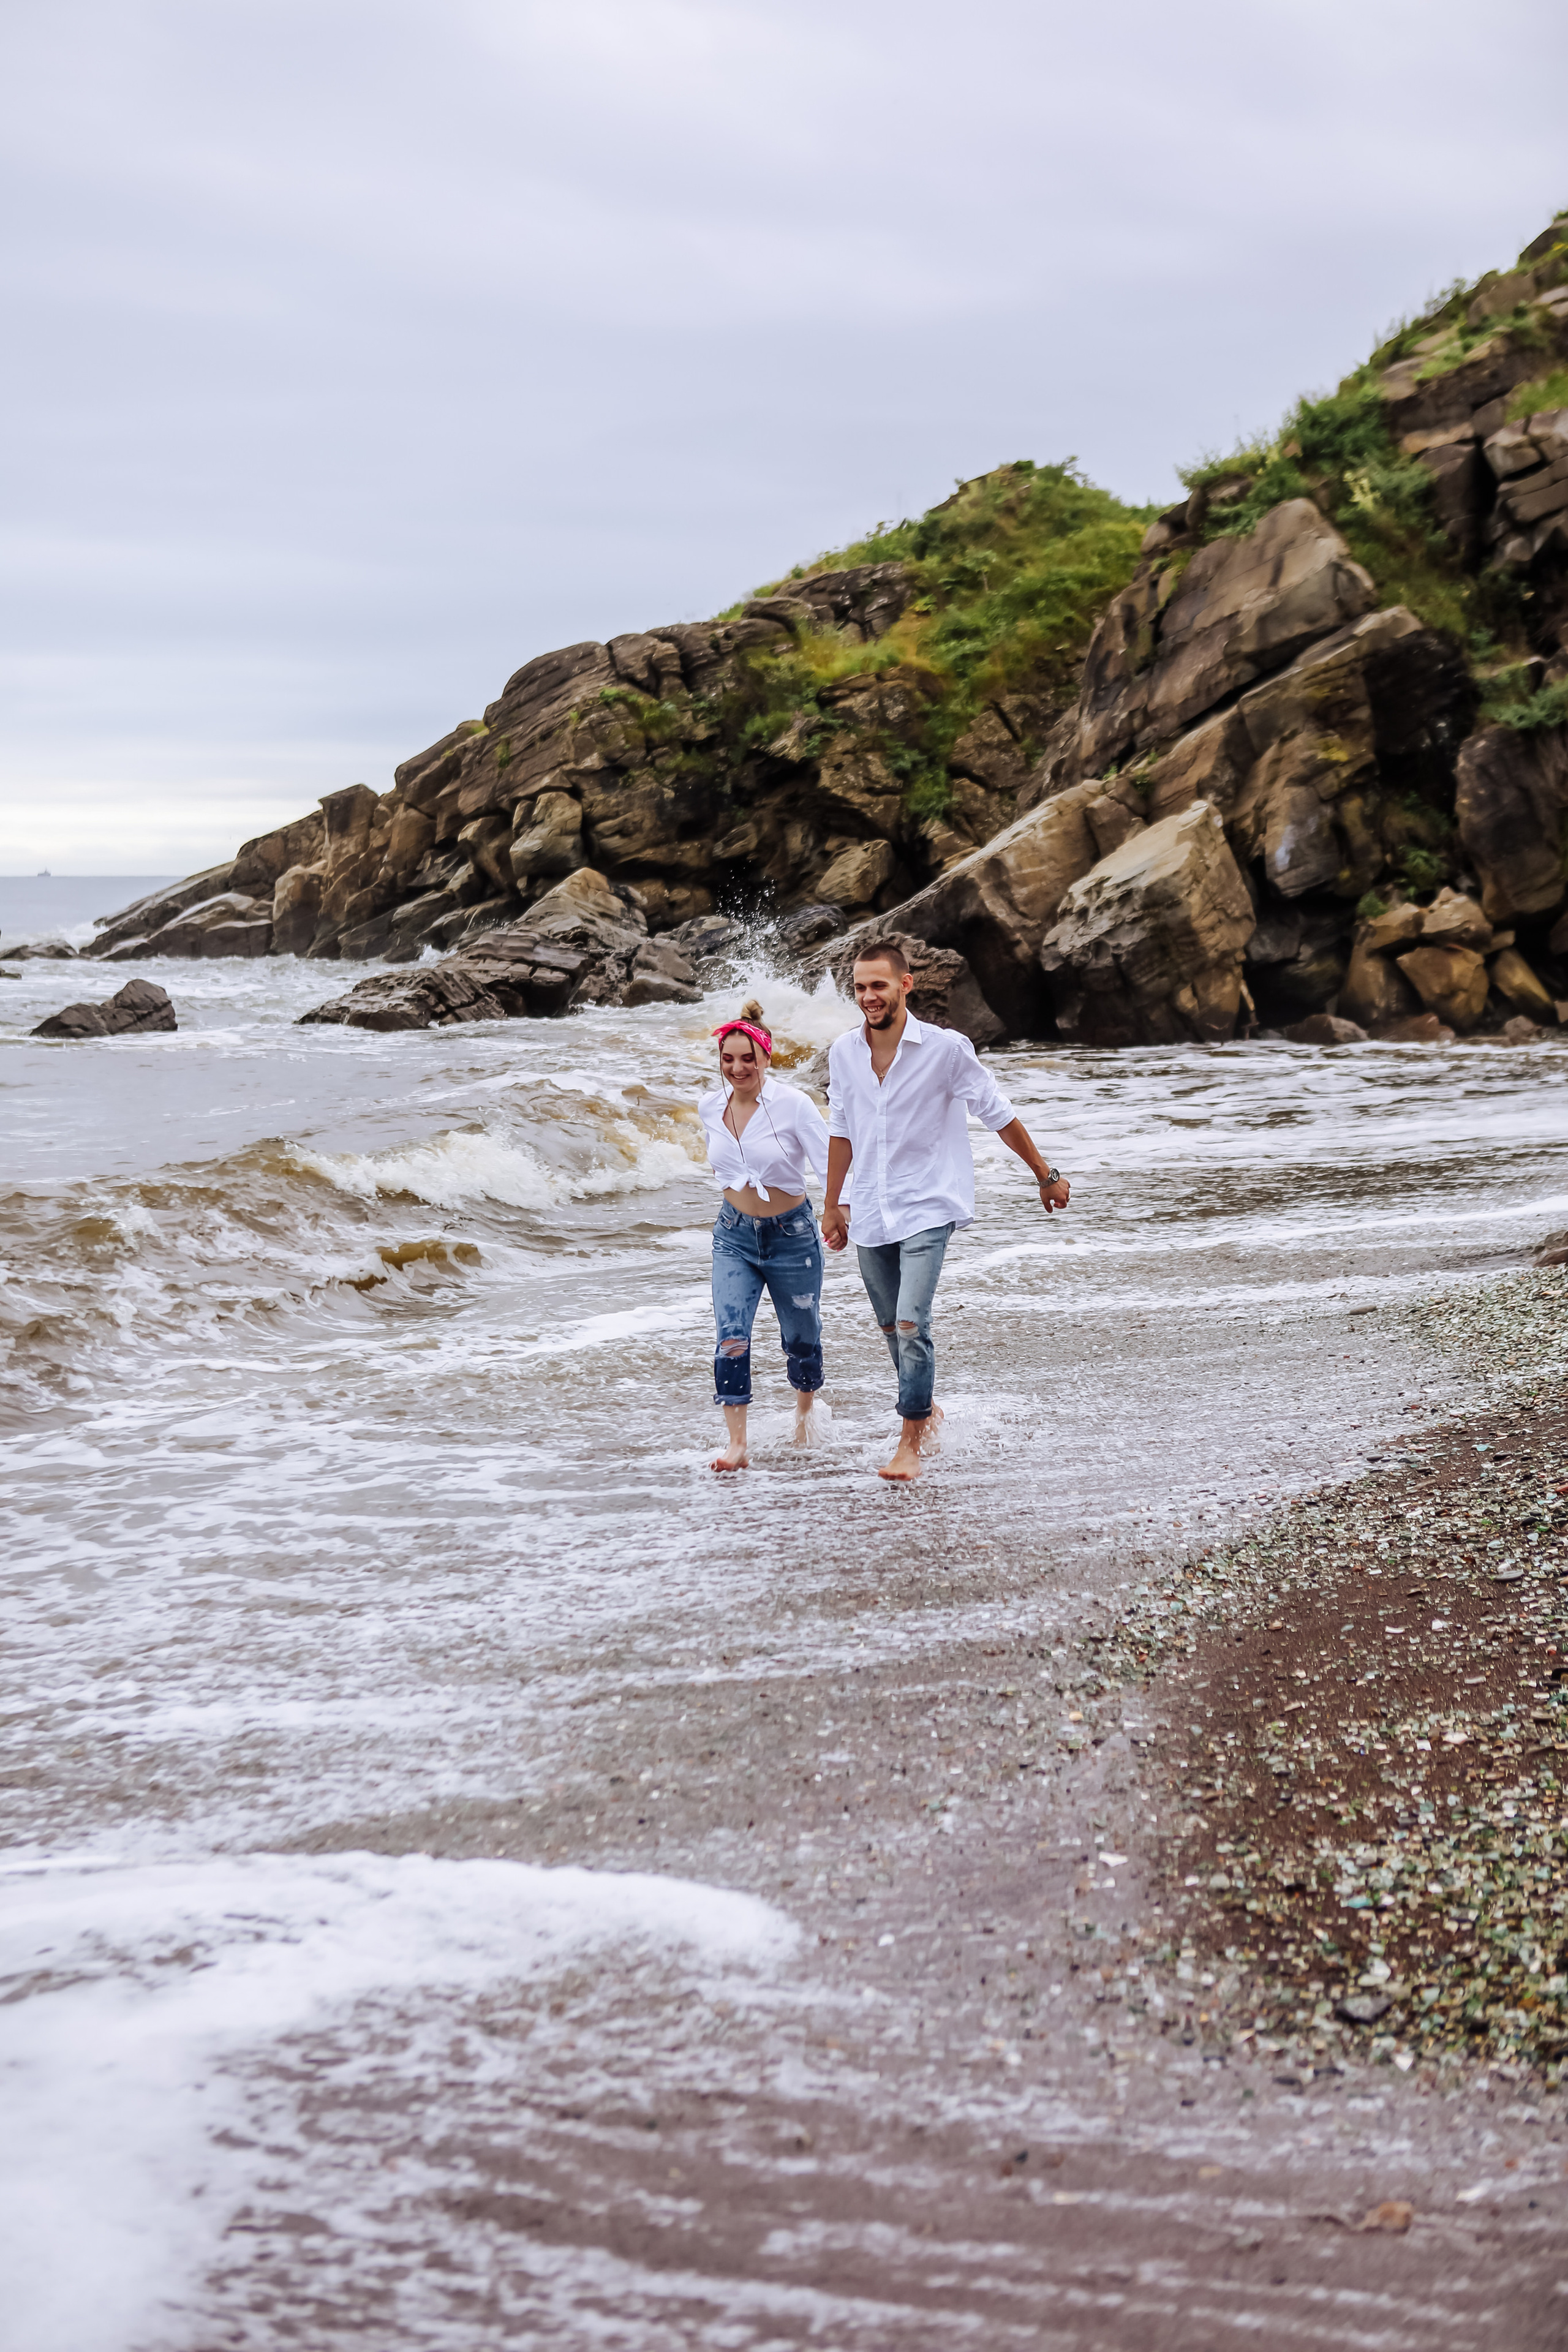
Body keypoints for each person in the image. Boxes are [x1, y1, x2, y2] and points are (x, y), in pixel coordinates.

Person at [821, 941, 1069, 1482]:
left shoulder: (946, 1050)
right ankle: (926, 1409)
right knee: (891, 1326)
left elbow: (997, 1113)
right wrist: (833, 1203)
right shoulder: (843, 1053)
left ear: (905, 985)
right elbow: (841, 1128)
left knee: (912, 1321)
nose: (869, 996)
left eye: (879, 985)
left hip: (929, 1202)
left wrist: (1045, 1174)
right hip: (870, 1208)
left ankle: (909, 1440)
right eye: (860, 987)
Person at [699, 998, 831, 1473]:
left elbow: (830, 1165)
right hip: (733, 1235)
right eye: (728, 1059)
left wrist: (840, 1213)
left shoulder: (794, 1105)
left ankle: (805, 1412)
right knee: (731, 1337)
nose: (737, 1068)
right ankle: (737, 1444)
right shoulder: (709, 1107)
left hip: (791, 1236)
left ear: (766, 1057)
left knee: (802, 1339)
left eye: (747, 1058)